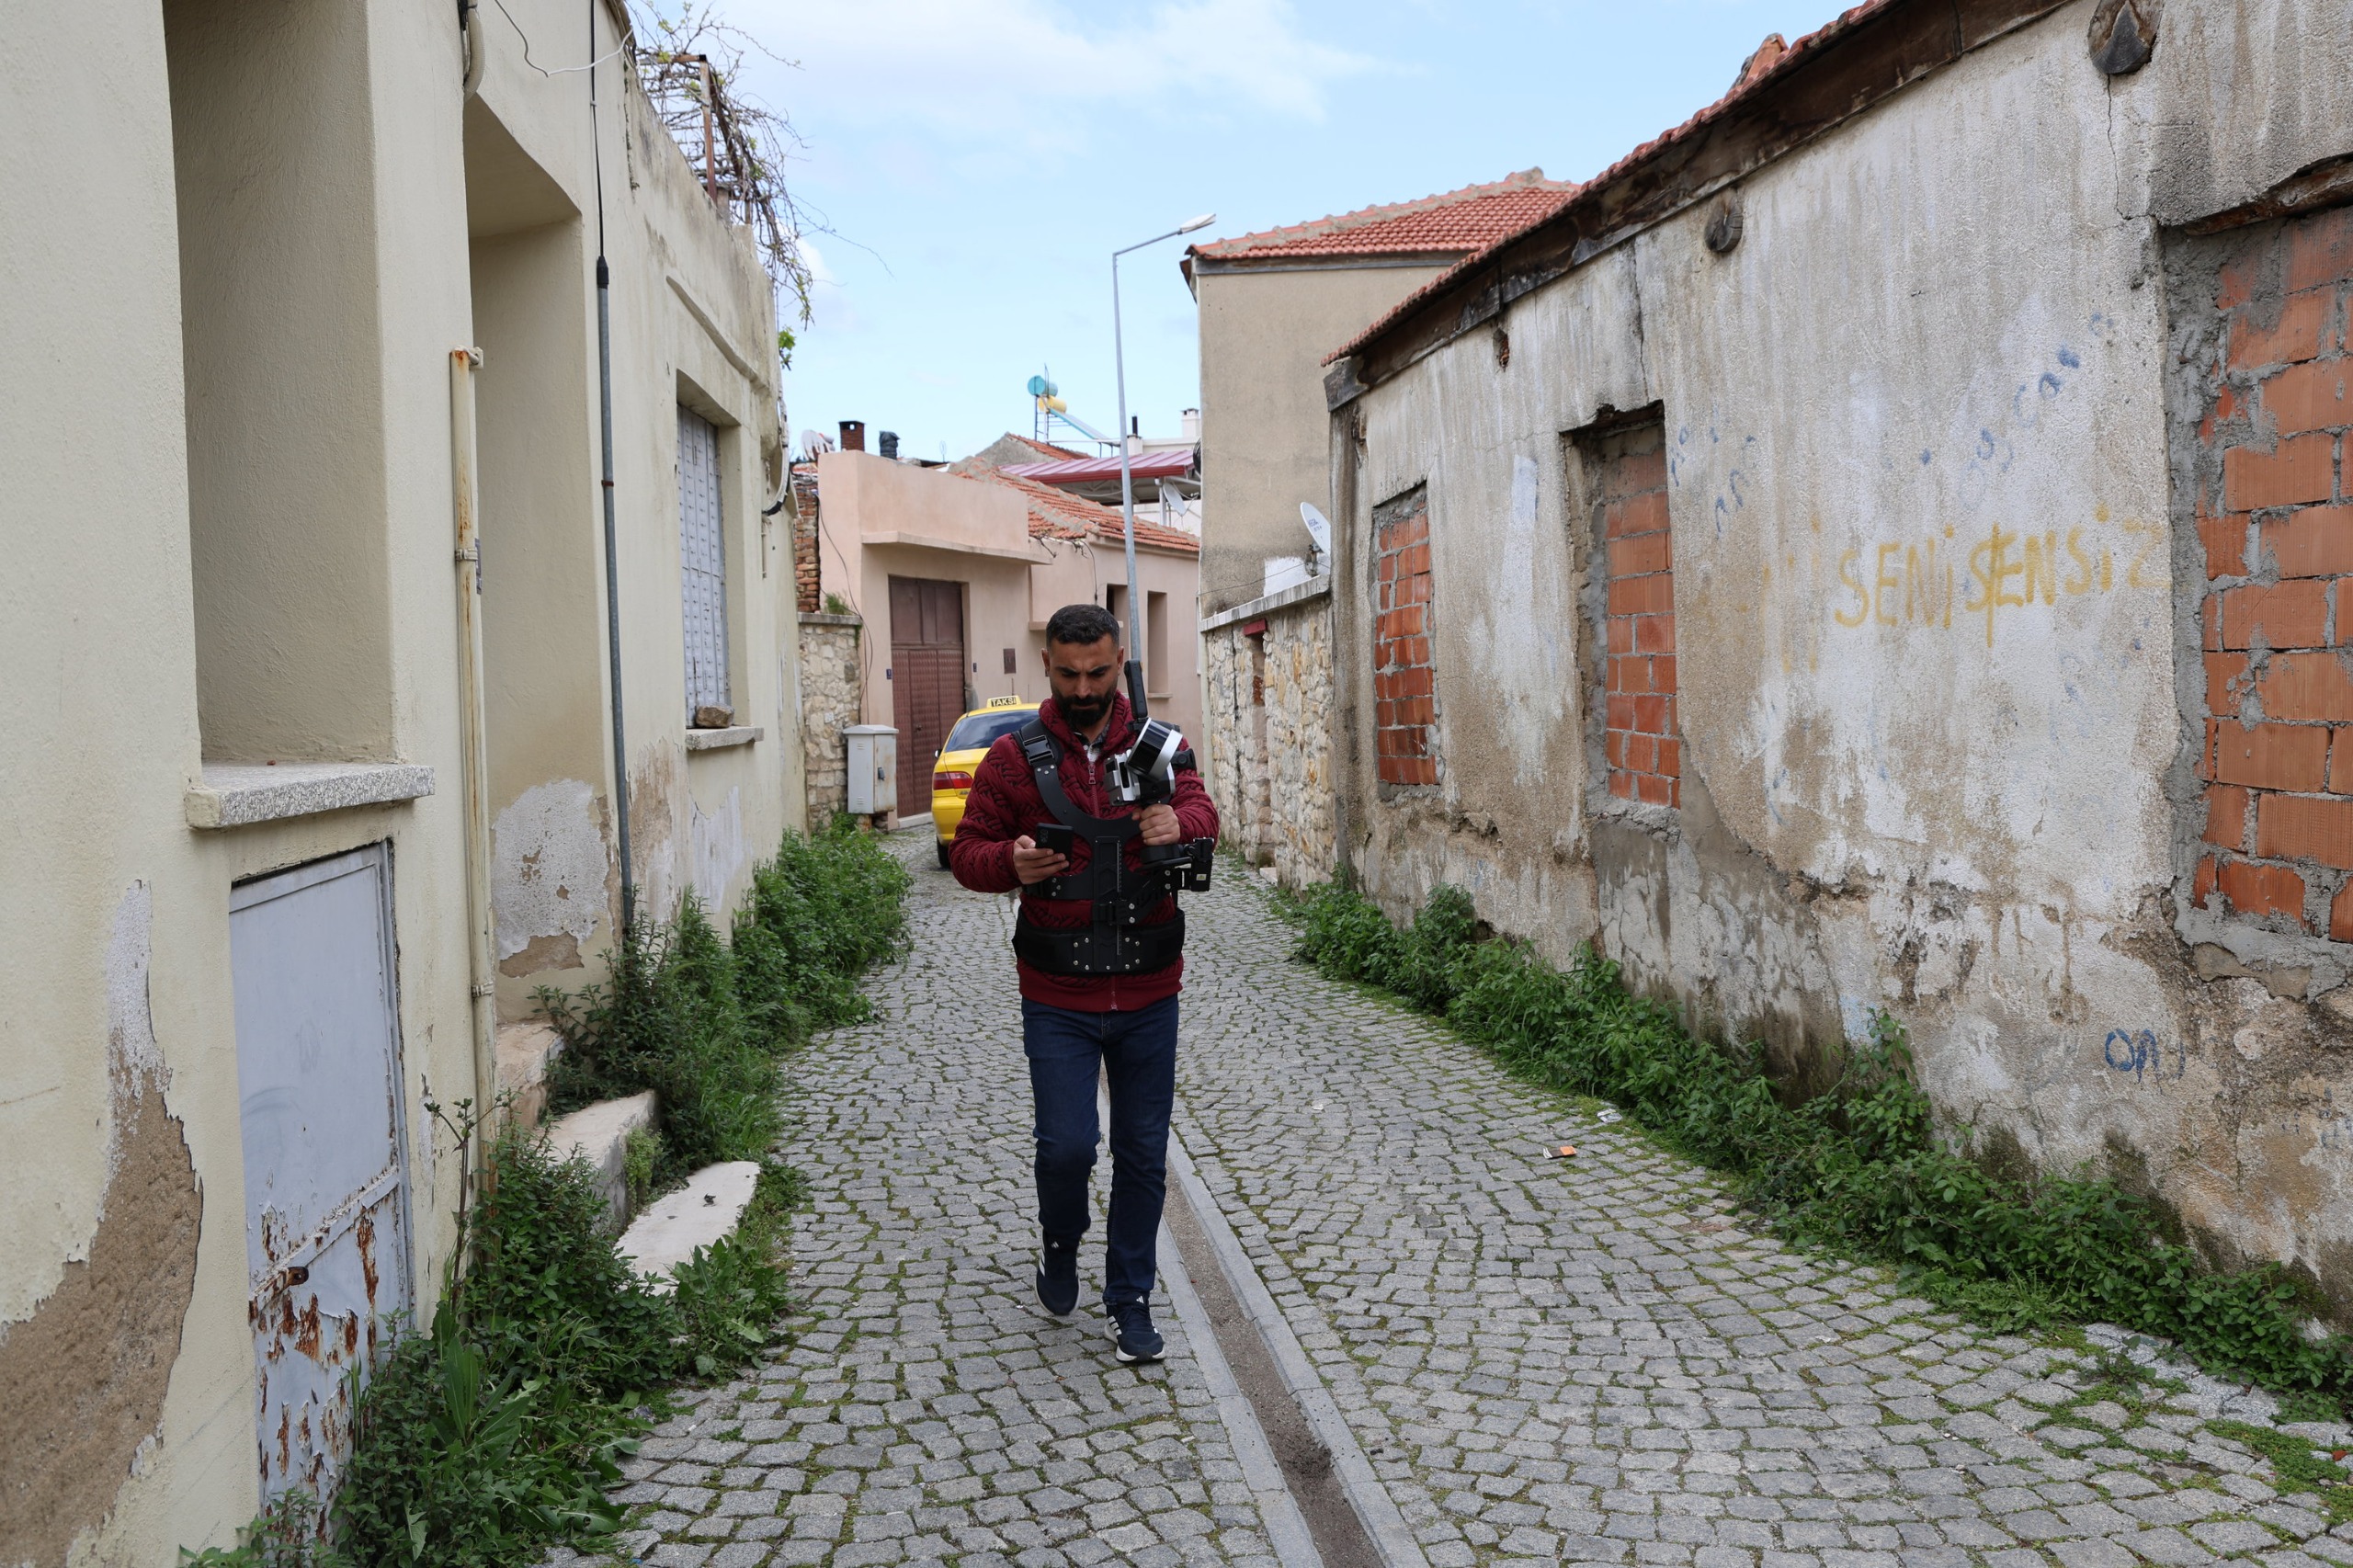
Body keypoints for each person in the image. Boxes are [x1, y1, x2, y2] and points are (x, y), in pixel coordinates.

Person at [949, 602, 1220, 1363]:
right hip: (1057, 994)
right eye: (1068, 674)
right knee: (1068, 1147)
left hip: (1149, 989)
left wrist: (1181, 826)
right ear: (1048, 665)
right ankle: (1060, 1240)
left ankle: (1130, 1298)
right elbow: (968, 851)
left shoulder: (1159, 745)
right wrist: (1011, 863)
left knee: (1142, 1153)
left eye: (1098, 672)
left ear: (1117, 660)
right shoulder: (1013, 759)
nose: (1084, 688)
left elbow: (1202, 809)